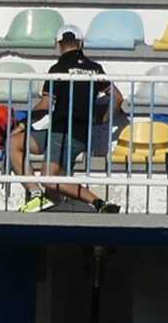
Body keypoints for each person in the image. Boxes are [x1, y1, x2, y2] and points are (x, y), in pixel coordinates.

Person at [12, 31, 123, 214]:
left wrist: (23, 124)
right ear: (81, 43)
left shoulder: (57, 68)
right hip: (74, 133)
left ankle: (99, 203)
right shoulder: (95, 68)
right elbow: (118, 98)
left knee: (47, 176)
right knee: (14, 142)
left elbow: (45, 105)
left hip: (62, 133)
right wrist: (101, 119)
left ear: (58, 45)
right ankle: (36, 194)